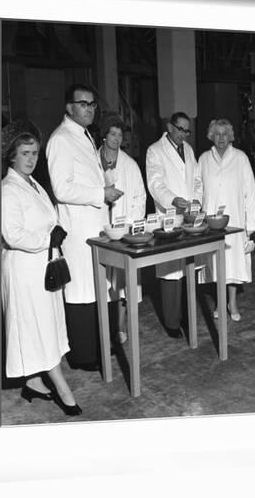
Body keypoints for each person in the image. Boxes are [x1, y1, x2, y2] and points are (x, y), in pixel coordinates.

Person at [0, 127, 82, 416]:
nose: (31, 159)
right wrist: (48, 239)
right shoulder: (8, 189)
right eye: (25, 153)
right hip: (23, 270)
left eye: (35, 153)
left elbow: (43, 218)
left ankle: (33, 381)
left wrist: (54, 229)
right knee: (36, 326)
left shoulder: (33, 183)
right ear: (12, 155)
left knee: (43, 325)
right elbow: (12, 234)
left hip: (41, 268)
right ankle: (62, 388)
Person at [46, 84, 123, 371]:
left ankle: (99, 347)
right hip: (78, 232)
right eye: (82, 104)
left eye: (92, 104)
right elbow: (62, 188)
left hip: (95, 225)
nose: (89, 108)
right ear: (69, 107)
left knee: (97, 290)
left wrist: (104, 189)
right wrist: (100, 194)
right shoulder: (60, 139)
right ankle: (83, 356)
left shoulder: (85, 135)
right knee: (81, 292)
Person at [145, 111, 203, 338]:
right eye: (180, 129)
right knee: (171, 272)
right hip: (169, 215)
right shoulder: (155, 150)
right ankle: (171, 322)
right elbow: (155, 183)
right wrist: (173, 200)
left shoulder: (188, 150)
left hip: (189, 216)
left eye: (187, 130)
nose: (183, 134)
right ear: (170, 127)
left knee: (189, 267)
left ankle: (188, 318)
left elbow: (197, 179)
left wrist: (196, 199)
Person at [198, 119, 255, 321]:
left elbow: (251, 191)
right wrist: (197, 216)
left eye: (225, 134)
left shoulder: (240, 158)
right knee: (216, 261)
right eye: (217, 134)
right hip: (211, 220)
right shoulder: (204, 159)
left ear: (230, 136)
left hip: (236, 220)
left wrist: (250, 226)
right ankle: (219, 301)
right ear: (211, 136)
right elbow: (198, 189)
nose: (221, 138)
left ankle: (232, 302)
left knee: (233, 262)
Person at [99, 112, 147, 344]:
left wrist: (131, 224)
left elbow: (140, 196)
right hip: (99, 230)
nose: (116, 139)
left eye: (120, 134)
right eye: (112, 133)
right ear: (104, 135)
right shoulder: (91, 160)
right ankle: (103, 328)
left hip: (124, 231)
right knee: (101, 281)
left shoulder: (130, 164)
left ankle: (119, 326)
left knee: (122, 282)